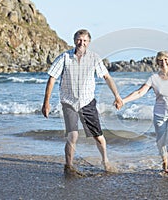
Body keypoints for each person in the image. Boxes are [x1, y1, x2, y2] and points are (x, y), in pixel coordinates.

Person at [42, 29, 122, 177]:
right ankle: (69, 166)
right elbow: (52, 78)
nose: (82, 43)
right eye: (79, 40)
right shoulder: (65, 57)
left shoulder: (94, 58)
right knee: (73, 135)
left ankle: (105, 161)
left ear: (89, 42)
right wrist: (46, 102)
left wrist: (117, 96)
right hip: (69, 102)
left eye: (85, 40)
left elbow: (107, 77)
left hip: (87, 102)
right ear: (74, 40)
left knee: (98, 135)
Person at [116, 51, 168, 176]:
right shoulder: (154, 78)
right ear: (157, 63)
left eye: (166, 59)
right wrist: (123, 101)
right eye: (161, 60)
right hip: (159, 114)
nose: (164, 62)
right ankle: (164, 160)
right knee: (160, 142)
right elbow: (140, 92)